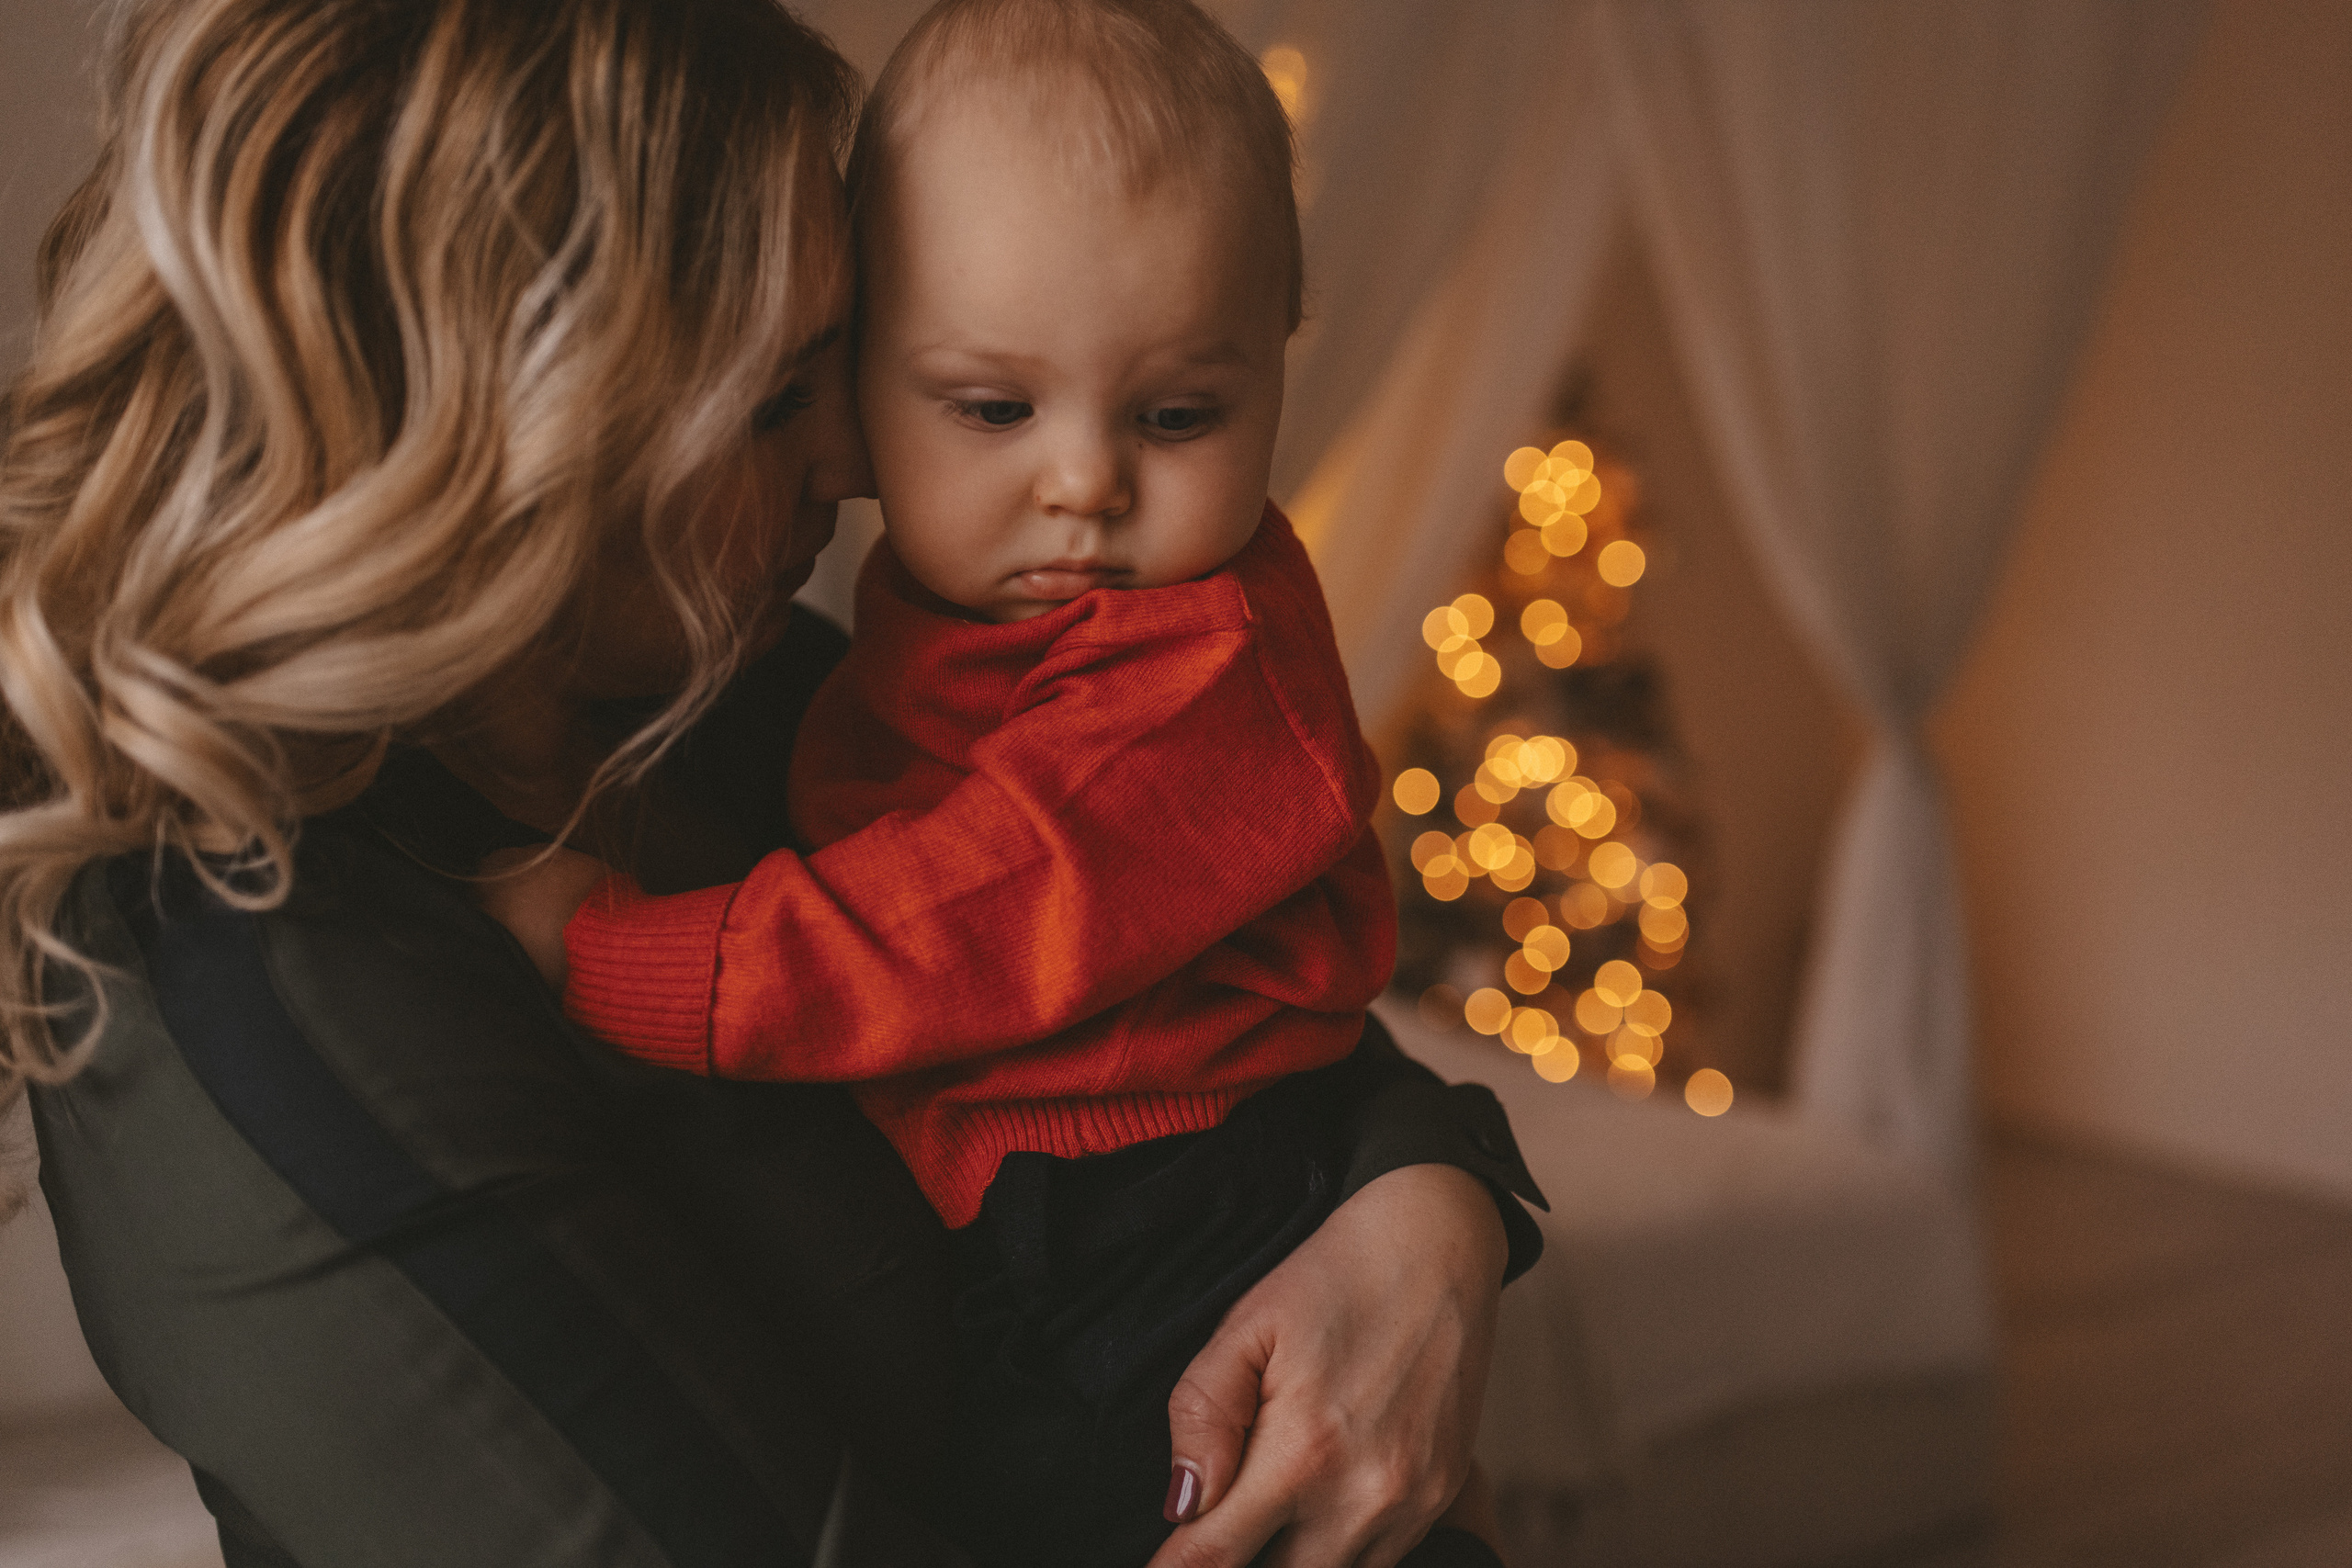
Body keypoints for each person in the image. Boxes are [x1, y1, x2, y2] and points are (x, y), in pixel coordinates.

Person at [0, 2, 1543, 1566]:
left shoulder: (742, 700)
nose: (860, 467)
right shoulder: (248, 969)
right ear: (504, 419)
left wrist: (1434, 1218)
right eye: (773, 399)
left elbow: (1199, 997)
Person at [482, 4, 1522, 1563]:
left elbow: (967, 911)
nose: (1086, 483)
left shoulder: (1205, 668)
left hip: (1174, 1224)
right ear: (865, 381)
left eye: (1179, 416)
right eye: (990, 408)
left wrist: (621, 957)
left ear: (1280, 360)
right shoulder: (882, 631)